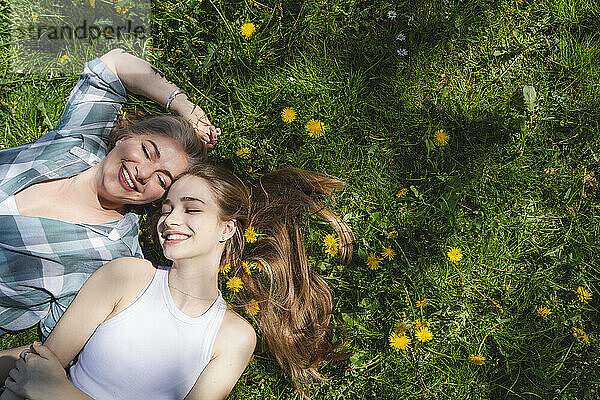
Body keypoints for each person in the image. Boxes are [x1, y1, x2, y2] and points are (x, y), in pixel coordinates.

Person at [0, 164, 355, 399]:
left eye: (192, 208)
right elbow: (37, 369)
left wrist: (60, 393)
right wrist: (45, 385)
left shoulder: (232, 336)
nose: (170, 219)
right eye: (167, 207)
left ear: (227, 228)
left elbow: (45, 384)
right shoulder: (127, 276)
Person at [0, 49, 219, 363]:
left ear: (160, 199)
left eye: (162, 179)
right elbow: (115, 64)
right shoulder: (79, 143)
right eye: (147, 150)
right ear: (123, 138)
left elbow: (54, 353)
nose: (143, 173)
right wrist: (186, 108)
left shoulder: (113, 260)